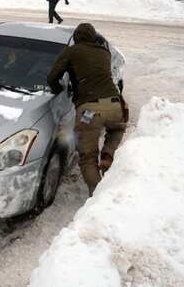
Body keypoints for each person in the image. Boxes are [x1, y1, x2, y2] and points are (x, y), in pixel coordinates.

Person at [46, 23, 128, 196]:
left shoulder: (72, 51)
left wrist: (56, 89)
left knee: (87, 157)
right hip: (114, 104)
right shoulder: (104, 52)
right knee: (117, 129)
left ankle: (99, 196)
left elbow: (53, 75)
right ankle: (108, 155)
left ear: (76, 38)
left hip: (90, 110)